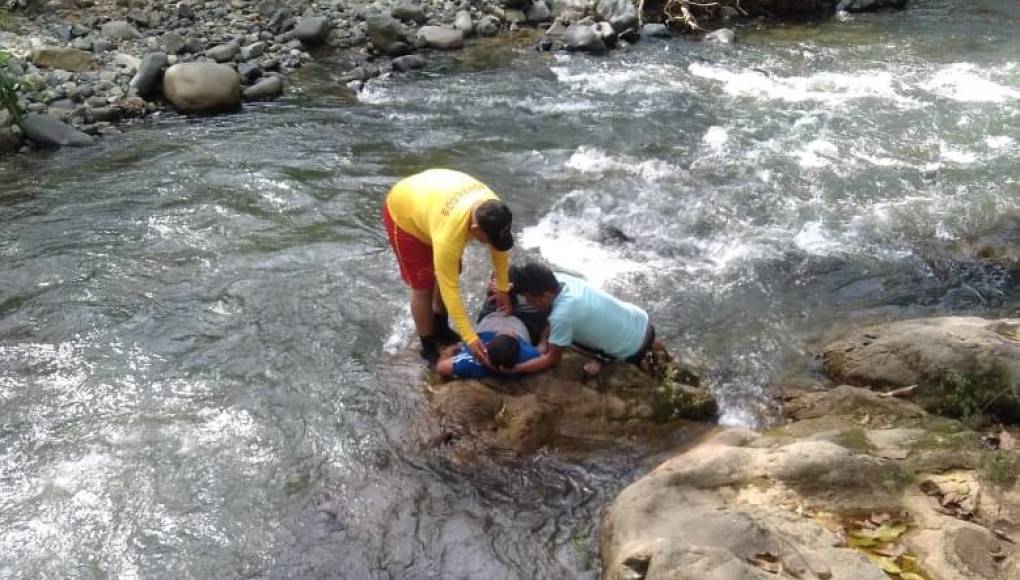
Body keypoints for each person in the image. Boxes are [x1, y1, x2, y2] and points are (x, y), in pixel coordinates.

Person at [382, 169, 514, 366]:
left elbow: (499, 250)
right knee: (424, 286)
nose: (494, 244)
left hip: (433, 200)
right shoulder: (449, 236)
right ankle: (427, 346)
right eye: (490, 239)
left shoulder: (493, 208)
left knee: (454, 269)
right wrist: (470, 337)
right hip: (404, 213)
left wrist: (502, 288)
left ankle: (441, 326)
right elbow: (449, 286)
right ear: (475, 230)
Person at [506, 262, 656, 373]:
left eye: (529, 298)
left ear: (546, 295)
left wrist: (514, 369)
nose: (527, 302)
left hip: (632, 350)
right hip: (642, 322)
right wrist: (543, 339)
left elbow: (551, 359)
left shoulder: (562, 317)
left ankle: (604, 358)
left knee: (566, 339)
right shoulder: (562, 279)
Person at [435, 293, 548, 378]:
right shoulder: (527, 356)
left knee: (498, 284)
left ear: (487, 346)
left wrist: (453, 348)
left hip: (493, 312)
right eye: (511, 334)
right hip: (524, 319)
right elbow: (542, 349)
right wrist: (544, 332)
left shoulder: (472, 360)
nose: (510, 331)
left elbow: (440, 367)